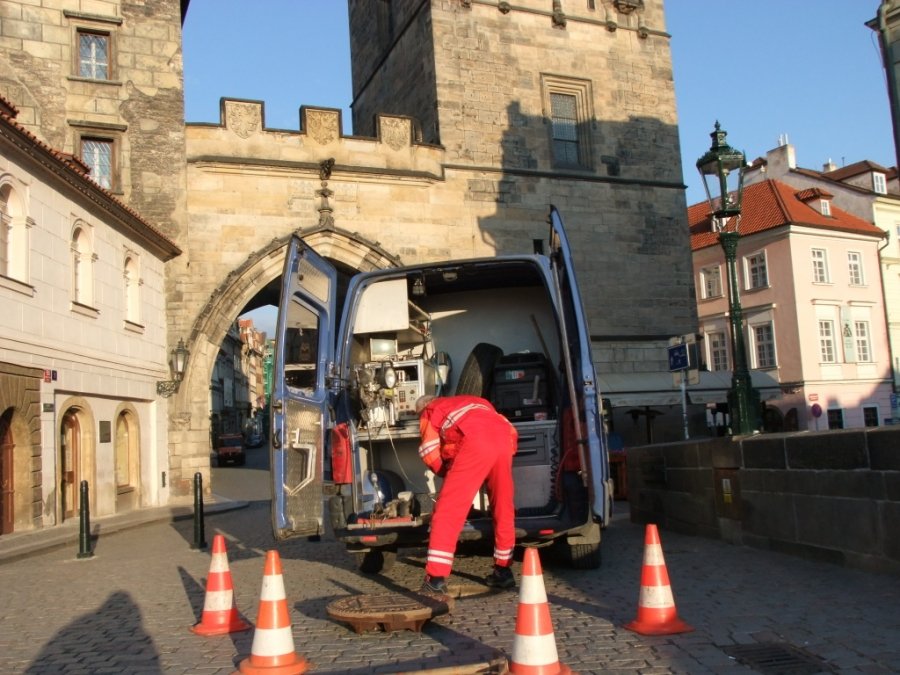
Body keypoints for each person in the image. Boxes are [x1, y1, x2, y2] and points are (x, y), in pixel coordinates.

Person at [415, 394, 518, 593]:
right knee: (503, 507)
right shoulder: (476, 401)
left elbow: (429, 450)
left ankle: (435, 579)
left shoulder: (430, 410)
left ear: (423, 406)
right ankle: (503, 571)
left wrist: (448, 473)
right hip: (505, 439)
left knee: (447, 512)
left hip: (475, 442)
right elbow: (506, 426)